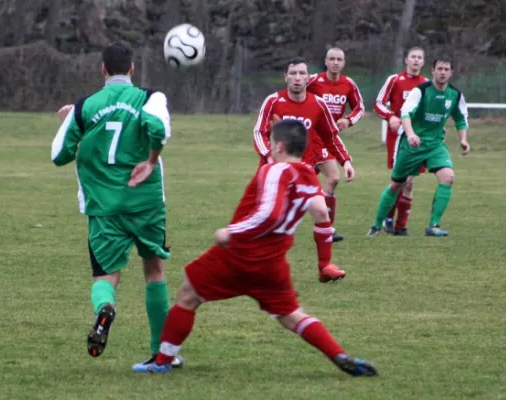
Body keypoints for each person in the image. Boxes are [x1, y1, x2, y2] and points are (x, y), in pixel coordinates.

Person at [141, 119, 377, 377]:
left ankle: (162, 361)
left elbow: (269, 215)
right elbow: (321, 212)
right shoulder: (308, 174)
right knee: (291, 316)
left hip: (239, 254)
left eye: (271, 142)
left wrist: (231, 231)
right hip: (273, 263)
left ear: (279, 146)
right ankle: (338, 355)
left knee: (188, 294)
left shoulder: (274, 170)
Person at [50, 41, 182, 370]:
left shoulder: (85, 106)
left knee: (105, 277)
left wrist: (69, 124)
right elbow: (158, 127)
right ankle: (162, 354)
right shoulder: (151, 97)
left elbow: (59, 155)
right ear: (133, 69)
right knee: (154, 271)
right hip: (146, 203)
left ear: (103, 70)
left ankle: (105, 308)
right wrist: (151, 160)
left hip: (104, 206)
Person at [253, 57, 355, 283]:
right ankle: (256, 266)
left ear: (308, 78)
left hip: (303, 172)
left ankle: (325, 267)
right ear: (286, 77)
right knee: (270, 221)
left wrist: (345, 160)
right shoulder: (273, 101)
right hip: (275, 174)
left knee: (321, 211)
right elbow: (259, 132)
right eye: (293, 74)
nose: (297, 78)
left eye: (302, 74)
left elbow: (330, 137)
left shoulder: (317, 104)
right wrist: (268, 156)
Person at [367, 56, 470, 237]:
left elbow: (461, 118)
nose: (443, 72)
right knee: (397, 185)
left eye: (446, 69)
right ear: (433, 71)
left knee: (448, 177)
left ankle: (433, 225)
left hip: (435, 145)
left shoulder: (455, 94)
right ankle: (376, 225)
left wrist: (463, 139)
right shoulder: (421, 90)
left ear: (451, 73)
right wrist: (411, 134)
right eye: (440, 69)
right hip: (412, 144)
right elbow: (406, 113)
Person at [307, 47, 365, 242]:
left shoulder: (348, 84)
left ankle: (327, 229)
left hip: (328, 138)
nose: (335, 62)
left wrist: (348, 121)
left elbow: (359, 107)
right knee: (300, 183)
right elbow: (294, 93)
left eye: (339, 59)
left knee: (332, 179)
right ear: (325, 61)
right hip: (309, 137)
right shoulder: (313, 80)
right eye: (332, 59)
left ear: (344, 63)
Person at [373, 46, 428, 235]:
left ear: (423, 62)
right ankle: (389, 218)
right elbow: (378, 103)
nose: (415, 60)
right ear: (406, 60)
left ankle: (400, 226)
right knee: (400, 180)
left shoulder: (427, 84)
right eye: (413, 57)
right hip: (397, 138)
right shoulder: (395, 80)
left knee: (410, 182)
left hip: (417, 138)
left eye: (419, 57)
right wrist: (390, 117)